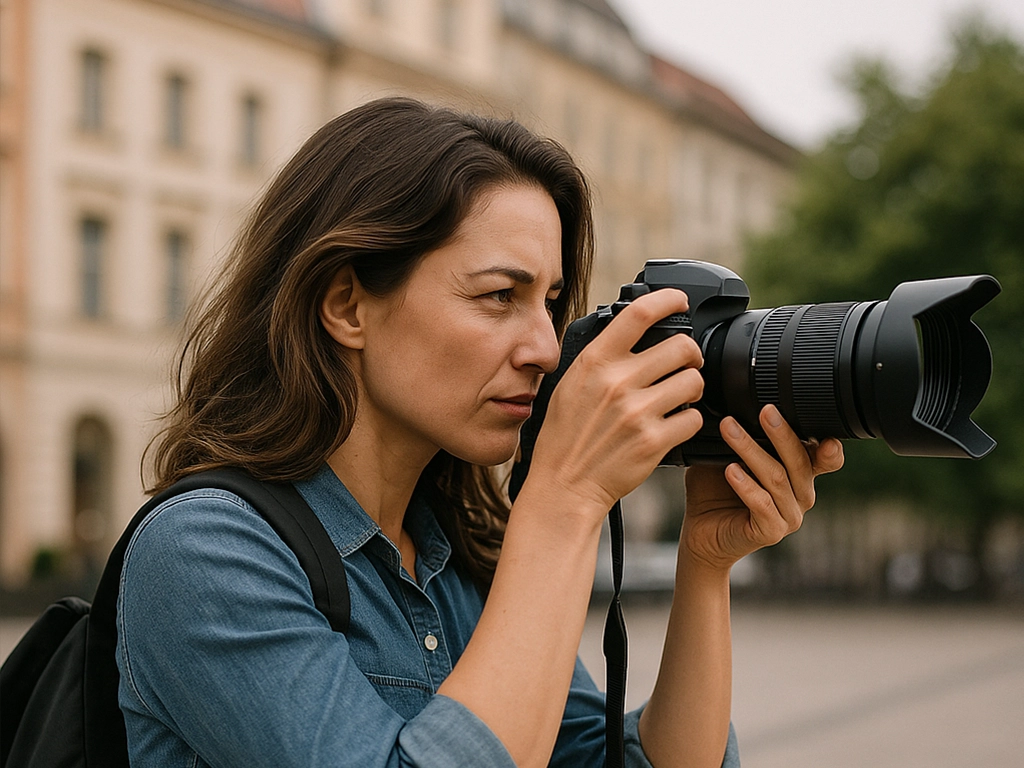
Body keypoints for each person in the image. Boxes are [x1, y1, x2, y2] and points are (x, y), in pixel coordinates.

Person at [119, 97, 844, 768]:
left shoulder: (461, 558)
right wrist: (566, 497)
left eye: (551, 301)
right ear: (346, 305)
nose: (546, 348)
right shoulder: (206, 551)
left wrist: (705, 566)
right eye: (500, 296)